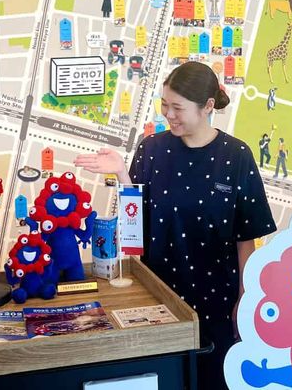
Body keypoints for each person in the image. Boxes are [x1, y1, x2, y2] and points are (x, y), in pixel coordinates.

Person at [74, 62, 276, 390]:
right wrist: (122, 174)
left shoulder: (237, 156)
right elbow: (134, 228)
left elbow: (246, 239)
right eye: (165, 105)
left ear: (207, 106)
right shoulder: (151, 149)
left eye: (177, 108)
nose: (169, 114)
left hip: (218, 302)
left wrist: (245, 299)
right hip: (158, 298)